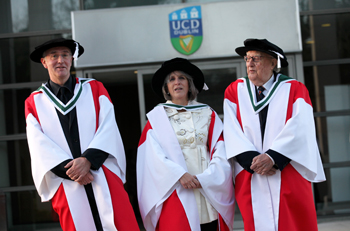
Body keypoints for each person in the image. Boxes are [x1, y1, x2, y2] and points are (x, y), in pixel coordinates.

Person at [25, 38, 139, 231]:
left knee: (120, 223)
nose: (60, 60)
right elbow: (38, 146)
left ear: (72, 59)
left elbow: (108, 127)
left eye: (65, 55)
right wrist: (73, 171)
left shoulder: (94, 88)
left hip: (101, 171)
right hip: (66, 181)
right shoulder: (34, 102)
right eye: (54, 56)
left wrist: (88, 161)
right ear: (44, 62)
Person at [223, 38, 326, 231]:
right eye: (247, 58)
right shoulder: (235, 91)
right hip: (252, 172)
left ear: (273, 62)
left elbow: (301, 128)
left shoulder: (294, 89)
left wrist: (273, 157)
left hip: (287, 170)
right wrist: (254, 161)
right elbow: (231, 130)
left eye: (256, 58)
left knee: (293, 223)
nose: (250, 64)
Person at [137, 58, 234, 231]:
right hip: (175, 189)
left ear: (190, 84)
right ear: (166, 87)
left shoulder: (207, 113)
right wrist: (180, 175)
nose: (177, 82)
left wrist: (206, 177)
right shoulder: (157, 118)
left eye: (182, 78)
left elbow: (221, 149)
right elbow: (152, 157)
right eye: (172, 79)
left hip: (206, 188)